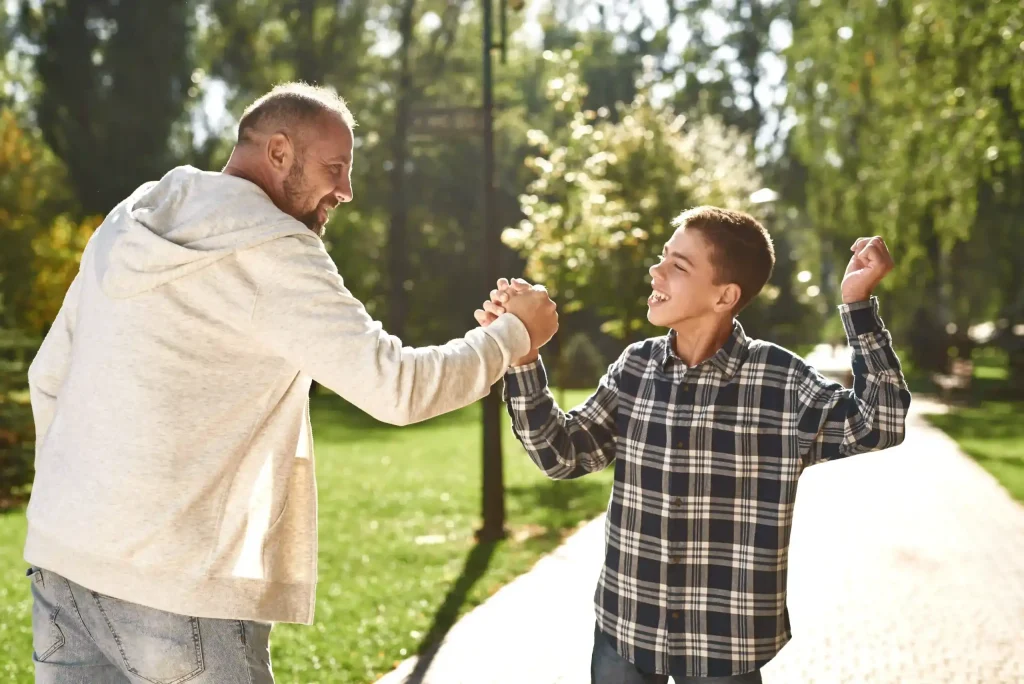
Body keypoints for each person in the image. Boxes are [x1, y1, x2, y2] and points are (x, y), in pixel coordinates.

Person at [24, 82, 558, 683]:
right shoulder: (273, 249)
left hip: (62, 565)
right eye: (336, 167)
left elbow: (49, 375)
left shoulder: (131, 218)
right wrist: (514, 334)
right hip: (179, 592)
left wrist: (74, 507)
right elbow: (397, 386)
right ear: (279, 152)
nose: (346, 191)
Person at [476, 206, 911, 684]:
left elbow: (881, 421)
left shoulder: (781, 381)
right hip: (626, 629)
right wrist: (525, 358)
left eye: (678, 265)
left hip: (724, 644)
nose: (656, 270)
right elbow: (561, 454)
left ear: (725, 296)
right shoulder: (635, 368)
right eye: (663, 256)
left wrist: (857, 304)